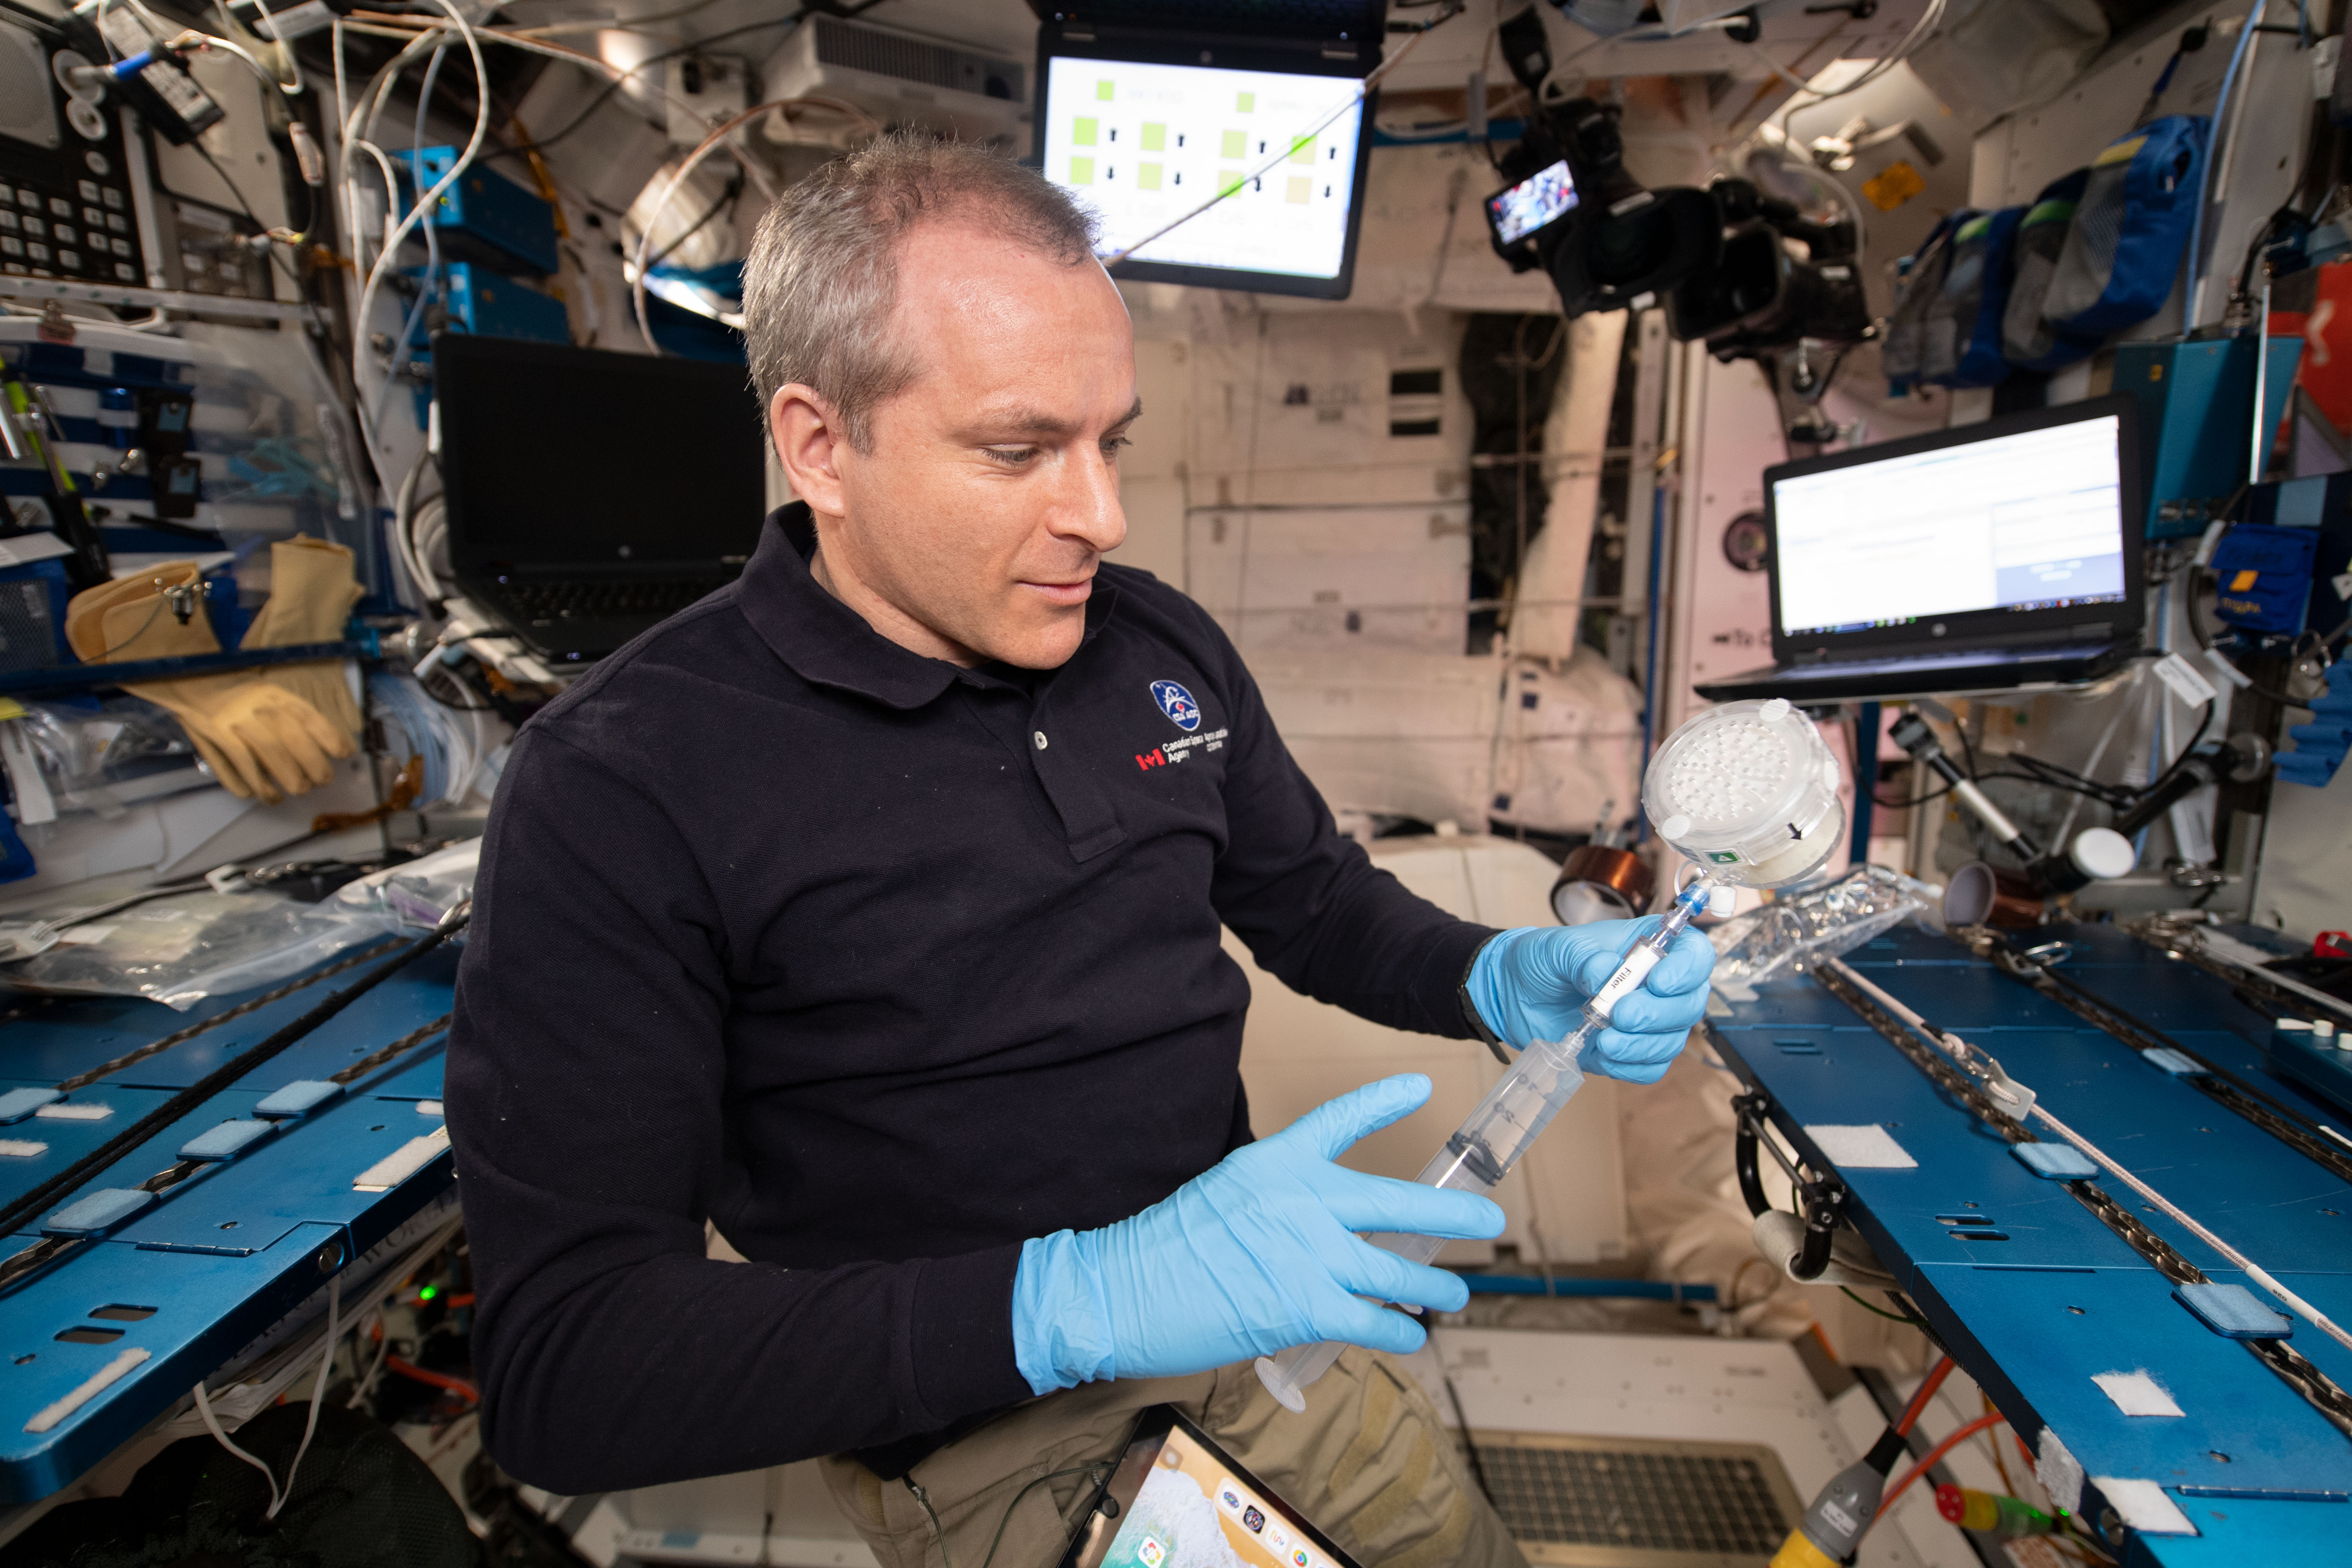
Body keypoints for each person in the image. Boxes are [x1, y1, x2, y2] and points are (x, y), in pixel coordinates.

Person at [445, 134, 1713, 1568]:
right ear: (819, 445)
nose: (1098, 516)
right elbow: (571, 1366)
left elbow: (1308, 901)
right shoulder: (622, 783)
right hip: (1005, 1442)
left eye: (1112, 442)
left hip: (1280, 1336)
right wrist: (1076, 1301)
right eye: (1017, 450)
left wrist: (1497, 976)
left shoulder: (1154, 641)